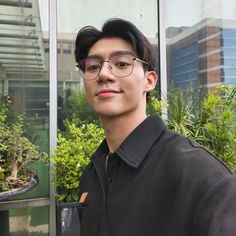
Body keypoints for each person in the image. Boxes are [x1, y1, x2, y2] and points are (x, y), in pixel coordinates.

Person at [75, 18, 236, 236]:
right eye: (92, 67)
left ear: (149, 81)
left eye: (122, 64)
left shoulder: (203, 178)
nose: (103, 74)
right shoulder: (92, 173)